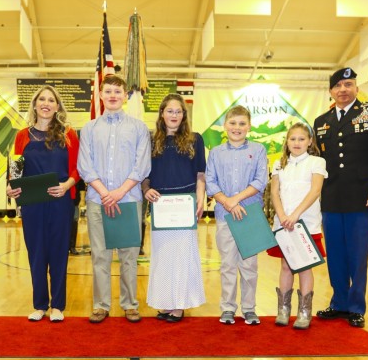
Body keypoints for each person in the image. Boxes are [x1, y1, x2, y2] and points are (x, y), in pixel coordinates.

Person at [313, 67, 368, 328]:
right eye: (337, 86)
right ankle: (339, 303)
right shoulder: (321, 121)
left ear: (356, 88)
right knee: (335, 254)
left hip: (364, 198)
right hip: (331, 199)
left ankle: (356, 306)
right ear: (330, 91)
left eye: (348, 84)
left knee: (358, 255)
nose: (343, 90)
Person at [77, 74, 151, 324]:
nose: (112, 96)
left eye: (117, 92)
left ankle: (130, 304)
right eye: (108, 91)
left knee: (129, 256)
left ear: (125, 96)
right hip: (98, 201)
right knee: (100, 255)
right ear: (100, 95)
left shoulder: (139, 128)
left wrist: (118, 193)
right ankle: (101, 305)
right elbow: (85, 166)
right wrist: (104, 192)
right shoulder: (89, 128)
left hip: (128, 200)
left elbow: (142, 166)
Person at [6, 85, 79, 323]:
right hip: (33, 203)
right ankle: (39, 304)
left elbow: (78, 168)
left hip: (60, 201)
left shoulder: (69, 134)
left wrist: (67, 185)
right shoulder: (21, 136)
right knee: (36, 253)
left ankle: (57, 305)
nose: (46, 103)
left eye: (51, 100)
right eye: (42, 100)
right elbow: (16, 172)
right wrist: (11, 187)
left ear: (57, 106)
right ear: (35, 105)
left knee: (58, 252)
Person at [142, 94, 206, 323]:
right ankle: (166, 302)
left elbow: (200, 174)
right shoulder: (151, 141)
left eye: (178, 111)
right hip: (160, 206)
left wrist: (200, 199)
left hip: (184, 204)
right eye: (170, 111)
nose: (174, 115)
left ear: (184, 115)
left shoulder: (195, 140)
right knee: (162, 257)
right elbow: (144, 176)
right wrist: (145, 189)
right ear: (161, 114)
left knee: (183, 257)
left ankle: (179, 305)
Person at [205, 105, 268, 325]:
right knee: (228, 265)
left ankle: (249, 308)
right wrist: (228, 203)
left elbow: (260, 181)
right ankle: (228, 308)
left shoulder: (258, 150)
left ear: (249, 126)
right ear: (225, 126)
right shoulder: (216, 152)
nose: (237, 128)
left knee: (249, 265)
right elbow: (210, 183)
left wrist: (236, 199)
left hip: (250, 216)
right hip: (225, 216)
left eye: (242, 123)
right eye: (233, 123)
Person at [267, 123, 328, 329]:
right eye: (292, 139)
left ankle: (304, 313)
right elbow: (275, 192)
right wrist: (283, 215)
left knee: (304, 266)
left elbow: (315, 190)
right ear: (287, 141)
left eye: (302, 139)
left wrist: (295, 215)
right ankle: (283, 310)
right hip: (283, 223)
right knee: (286, 265)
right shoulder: (278, 163)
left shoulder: (317, 162)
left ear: (310, 141)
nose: (297, 143)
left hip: (306, 224)